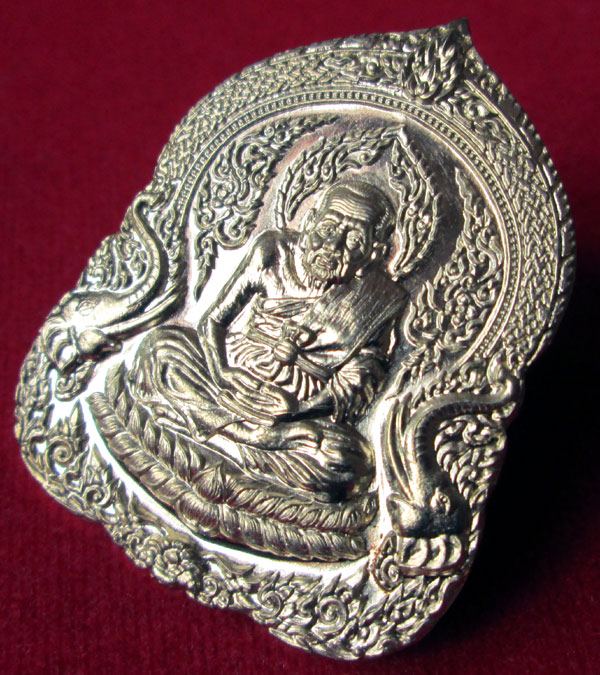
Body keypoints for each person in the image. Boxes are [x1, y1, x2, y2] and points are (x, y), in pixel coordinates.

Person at [131, 179, 407, 503]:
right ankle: (250, 438)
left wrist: (296, 411)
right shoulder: (273, 251)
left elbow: (357, 383)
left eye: (354, 239)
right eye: (328, 228)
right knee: (160, 349)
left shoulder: (378, 300)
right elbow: (214, 320)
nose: (333, 245)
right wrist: (221, 373)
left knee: (350, 464)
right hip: (230, 376)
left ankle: (218, 432)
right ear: (310, 221)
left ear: (374, 252)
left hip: (294, 409)